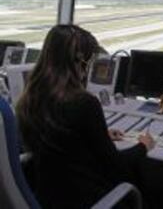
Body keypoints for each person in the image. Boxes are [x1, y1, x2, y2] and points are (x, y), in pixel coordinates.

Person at [16, 25, 154, 208]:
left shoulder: (30, 98)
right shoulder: (84, 103)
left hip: (48, 197)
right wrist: (143, 146)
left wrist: (99, 134)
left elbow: (63, 141)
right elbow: (117, 167)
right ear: (80, 62)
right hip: (86, 200)